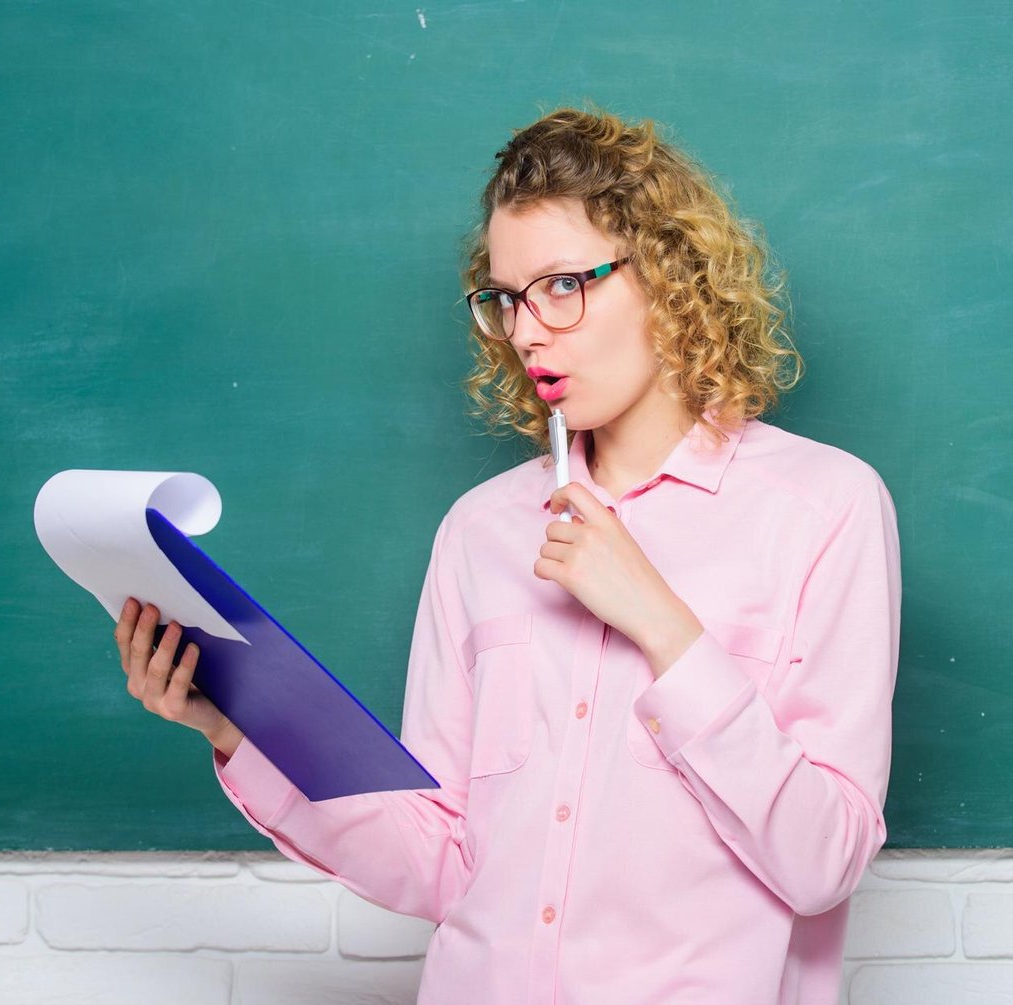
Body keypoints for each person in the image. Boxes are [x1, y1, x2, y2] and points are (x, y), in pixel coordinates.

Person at [116, 107, 901, 1005]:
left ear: (671, 277)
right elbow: (441, 859)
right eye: (506, 297)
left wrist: (659, 621)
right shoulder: (480, 530)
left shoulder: (824, 507)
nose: (528, 331)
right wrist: (233, 726)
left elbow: (824, 859)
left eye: (562, 286)